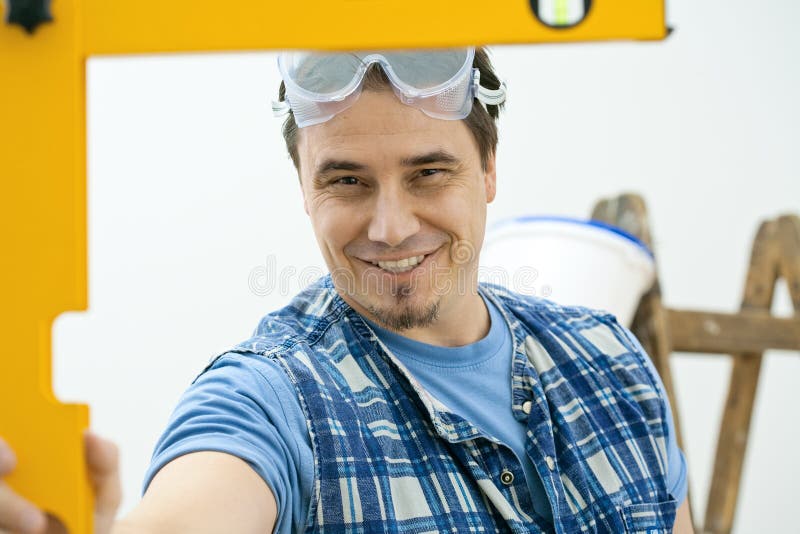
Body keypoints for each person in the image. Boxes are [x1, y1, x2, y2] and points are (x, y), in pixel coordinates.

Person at [0, 47, 694, 533]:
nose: (390, 228)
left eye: (429, 174)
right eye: (346, 181)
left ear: (487, 169)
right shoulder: (274, 399)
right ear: (305, 189)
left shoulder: (612, 362)